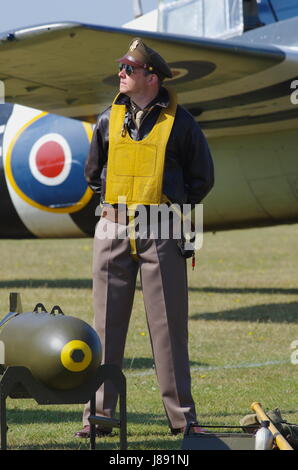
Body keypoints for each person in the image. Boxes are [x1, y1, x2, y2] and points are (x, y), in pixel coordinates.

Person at [75, 37, 214, 438]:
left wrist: (169, 209)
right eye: (122, 67)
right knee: (104, 326)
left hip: (161, 226)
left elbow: (202, 177)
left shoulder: (181, 122)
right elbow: (92, 174)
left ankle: (182, 419)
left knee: (169, 328)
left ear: (152, 78)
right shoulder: (106, 119)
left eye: (129, 69)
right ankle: (98, 418)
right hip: (113, 225)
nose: (121, 73)